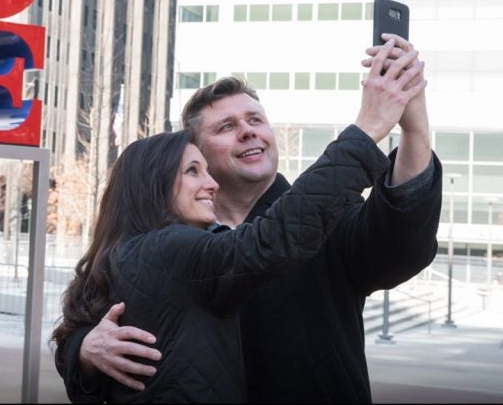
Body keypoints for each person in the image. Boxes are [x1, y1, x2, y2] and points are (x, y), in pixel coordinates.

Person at [55, 35, 443, 403]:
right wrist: (85, 349)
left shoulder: (329, 215)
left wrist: (414, 127)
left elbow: (401, 240)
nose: (247, 132)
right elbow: (81, 323)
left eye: (255, 120)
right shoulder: (162, 242)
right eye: (227, 127)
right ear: (197, 152)